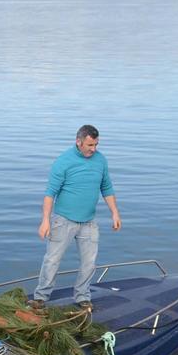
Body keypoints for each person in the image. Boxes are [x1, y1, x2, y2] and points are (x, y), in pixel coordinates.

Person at [31, 124, 122, 311]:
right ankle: (40, 297)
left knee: (89, 263)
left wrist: (115, 213)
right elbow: (50, 194)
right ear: (78, 141)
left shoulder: (100, 160)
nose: (93, 149)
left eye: (96, 144)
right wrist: (45, 220)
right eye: (90, 145)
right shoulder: (63, 161)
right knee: (52, 260)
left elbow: (107, 187)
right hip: (63, 220)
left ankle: (82, 296)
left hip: (89, 221)